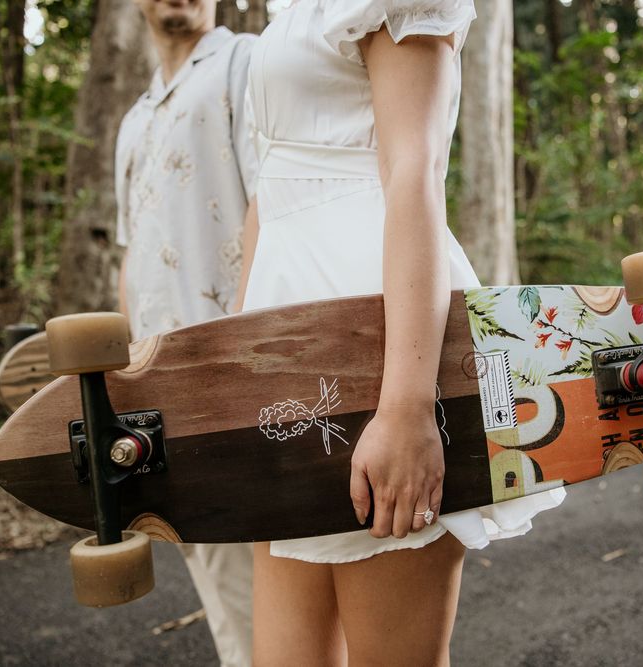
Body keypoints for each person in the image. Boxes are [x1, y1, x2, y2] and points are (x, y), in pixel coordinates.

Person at [236, 1, 567, 664]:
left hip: (381, 344)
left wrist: (408, 407)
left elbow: (415, 173)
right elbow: (267, 196)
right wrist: (242, 364)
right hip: (287, 361)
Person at [114, 1, 257, 665]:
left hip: (235, 375)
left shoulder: (242, 61)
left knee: (267, 593)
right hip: (160, 394)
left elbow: (271, 206)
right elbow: (131, 254)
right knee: (222, 591)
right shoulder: (134, 119)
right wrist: (127, 374)